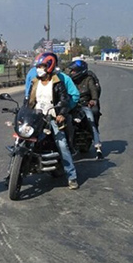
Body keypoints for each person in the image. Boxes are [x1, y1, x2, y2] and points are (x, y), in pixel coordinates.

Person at [27, 52, 80, 190]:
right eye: (38, 66)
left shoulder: (58, 82)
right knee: (21, 140)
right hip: (36, 117)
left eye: (42, 66)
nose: (39, 69)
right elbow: (29, 101)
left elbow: (64, 100)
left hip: (52, 117)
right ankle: (12, 174)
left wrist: (61, 113)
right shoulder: (35, 82)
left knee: (62, 145)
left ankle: (72, 176)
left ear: (49, 67)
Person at [67, 59, 103, 159]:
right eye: (71, 71)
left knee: (92, 121)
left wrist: (93, 100)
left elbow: (94, 92)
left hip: (86, 104)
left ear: (80, 71)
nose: (72, 72)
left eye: (74, 71)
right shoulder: (69, 80)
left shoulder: (89, 80)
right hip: (72, 105)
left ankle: (98, 148)